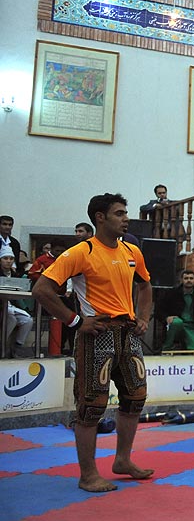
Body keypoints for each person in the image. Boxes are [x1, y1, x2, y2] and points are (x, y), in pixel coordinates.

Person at [32, 193, 154, 492]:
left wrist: (143, 317)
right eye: (120, 213)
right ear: (100, 217)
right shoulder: (81, 252)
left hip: (127, 334)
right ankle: (88, 475)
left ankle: (122, 461)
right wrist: (74, 321)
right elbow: (41, 290)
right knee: (90, 406)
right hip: (96, 334)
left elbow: (145, 284)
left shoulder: (131, 251)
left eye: (125, 213)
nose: (126, 218)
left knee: (135, 398)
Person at [157, 269, 194, 350]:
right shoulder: (171, 293)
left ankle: (185, 345)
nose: (189, 280)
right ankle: (167, 347)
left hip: (192, 327)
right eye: (186, 278)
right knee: (176, 322)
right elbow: (159, 310)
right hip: (177, 324)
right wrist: (166, 318)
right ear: (181, 280)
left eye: (191, 278)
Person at [0, 245, 33, 358]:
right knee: (11, 318)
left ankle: (18, 347)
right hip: (2, 306)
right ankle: (2, 345)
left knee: (27, 320)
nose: (8, 261)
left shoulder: (15, 275)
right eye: (5, 258)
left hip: (10, 306)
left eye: (11, 258)